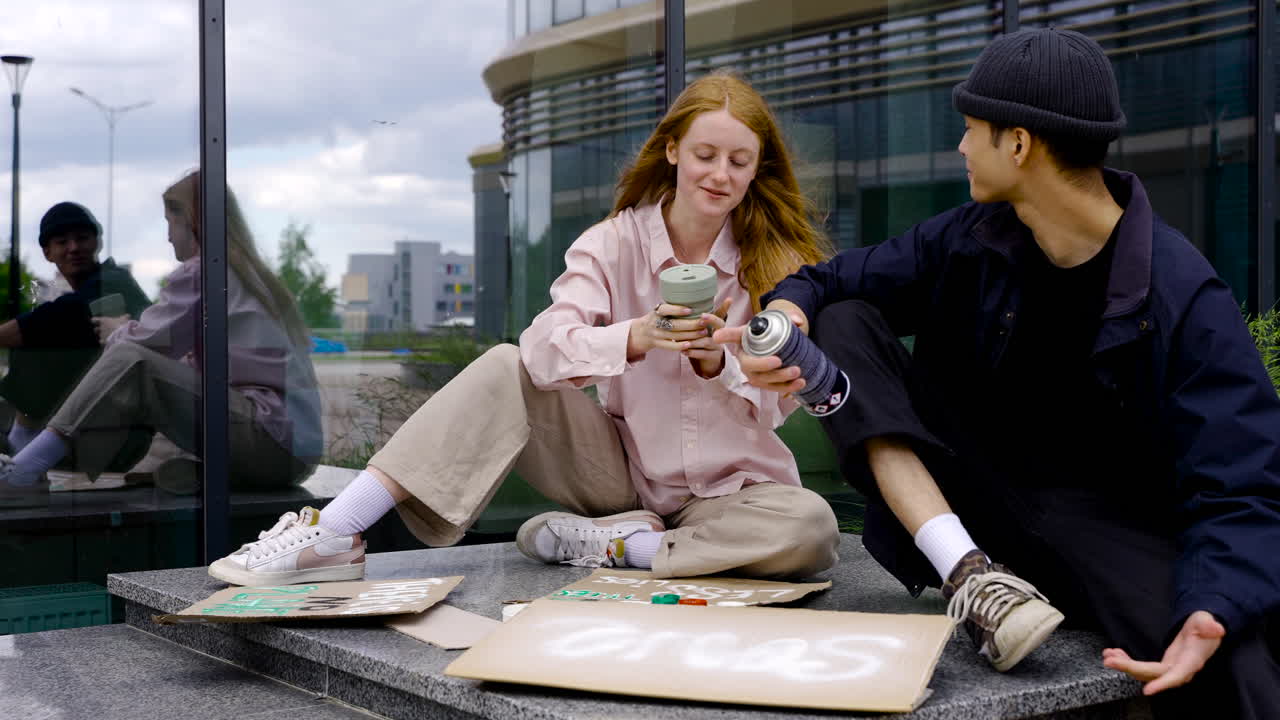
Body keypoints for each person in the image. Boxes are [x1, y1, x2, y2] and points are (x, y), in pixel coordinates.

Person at [717, 28, 1280, 716]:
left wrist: (1214, 602)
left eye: (970, 129)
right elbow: (830, 280)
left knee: (1227, 655)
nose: (960, 147)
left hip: (1099, 529)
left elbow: (1243, 483)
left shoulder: (1181, 292)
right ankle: (968, 574)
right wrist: (785, 315)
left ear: (1018, 144)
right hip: (967, 505)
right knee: (839, 318)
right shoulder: (970, 236)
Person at [206, 70, 841, 589]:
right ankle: (333, 532)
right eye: (706, 155)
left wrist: (718, 366)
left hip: (736, 494)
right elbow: (543, 352)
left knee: (810, 529)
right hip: (622, 475)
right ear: (673, 150)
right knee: (505, 364)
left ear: (756, 169)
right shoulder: (612, 243)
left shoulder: (777, 264)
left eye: (739, 161)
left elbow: (781, 405)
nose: (720, 175)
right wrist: (633, 337)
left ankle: (629, 548)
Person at [0, 171, 323, 505]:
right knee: (167, 458)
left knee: (130, 358)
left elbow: (142, 345)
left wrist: (117, 330)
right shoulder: (244, 272)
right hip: (292, 454)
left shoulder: (206, 270)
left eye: (170, 223)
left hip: (270, 441)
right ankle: (64, 460)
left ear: (191, 221)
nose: (168, 237)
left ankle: (27, 466)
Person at [0, 202, 151, 456]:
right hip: (111, 415)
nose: (74, 248)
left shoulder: (112, 281)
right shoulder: (97, 285)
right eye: (62, 242)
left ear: (97, 243)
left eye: (82, 238)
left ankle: (21, 445)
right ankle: (22, 443)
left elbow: (59, 315)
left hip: (129, 426)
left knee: (38, 342)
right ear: (48, 253)